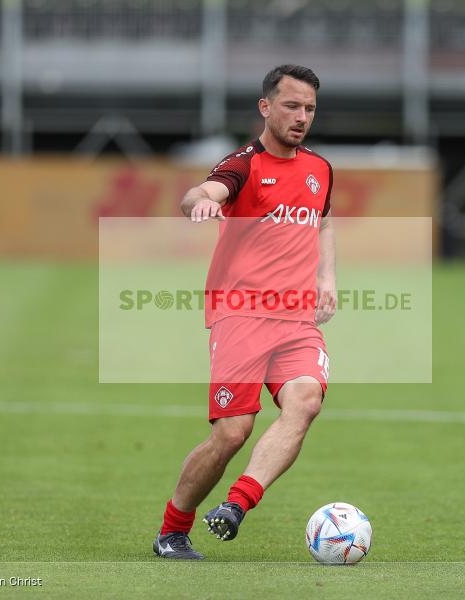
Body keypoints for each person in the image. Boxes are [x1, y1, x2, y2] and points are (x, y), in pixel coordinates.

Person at [153, 64, 336, 560]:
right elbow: (201, 192)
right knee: (232, 432)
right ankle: (172, 529)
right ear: (265, 107)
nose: (301, 117)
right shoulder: (243, 165)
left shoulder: (320, 169)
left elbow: (323, 221)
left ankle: (237, 504)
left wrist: (327, 279)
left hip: (296, 319)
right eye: (292, 106)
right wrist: (199, 204)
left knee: (306, 401)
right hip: (241, 314)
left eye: (310, 108)